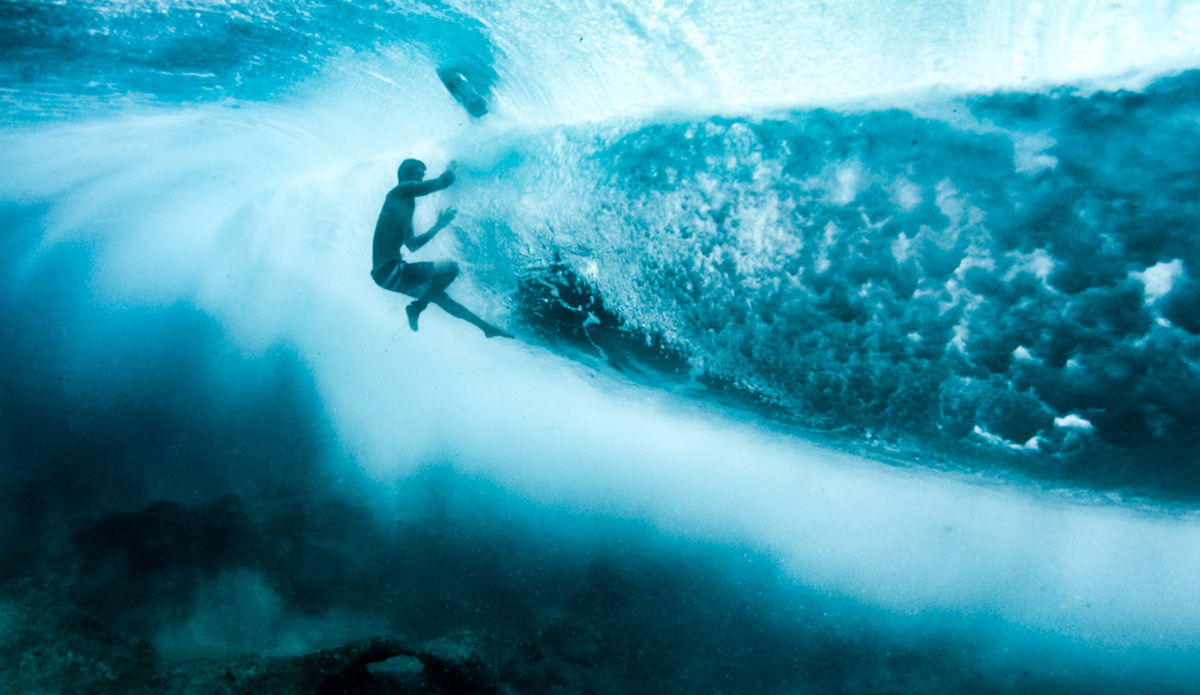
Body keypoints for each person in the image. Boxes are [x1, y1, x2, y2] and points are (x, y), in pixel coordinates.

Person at [371, 158, 511, 338]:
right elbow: (443, 182)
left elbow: (412, 245)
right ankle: (418, 307)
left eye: (422, 176)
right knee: (451, 268)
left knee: (438, 296)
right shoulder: (400, 191)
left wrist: (438, 226)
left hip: (385, 276)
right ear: (406, 173)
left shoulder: (405, 204)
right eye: (419, 175)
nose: (421, 180)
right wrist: (451, 166)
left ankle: (486, 328)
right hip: (390, 270)